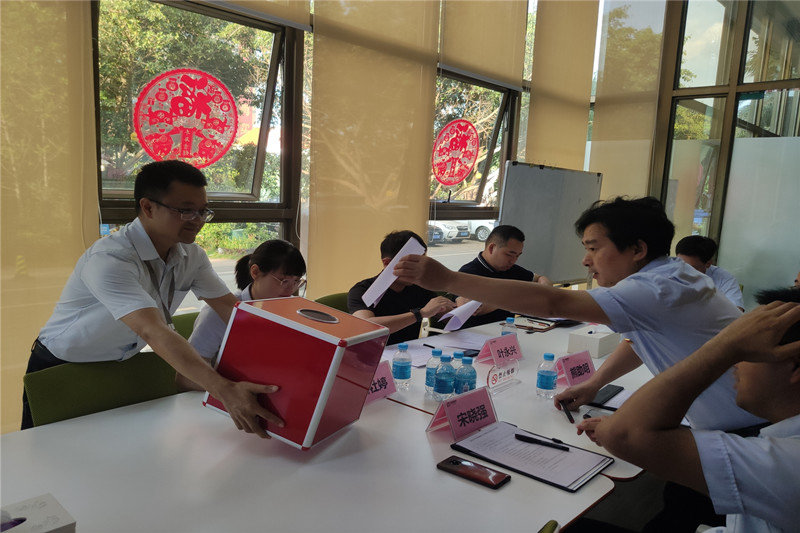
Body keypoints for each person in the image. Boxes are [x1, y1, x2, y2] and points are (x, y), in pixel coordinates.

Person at [395, 196, 763, 432]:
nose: (585, 260)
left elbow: (554, 303)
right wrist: (593, 384)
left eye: (593, 248)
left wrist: (447, 279)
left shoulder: (654, 288)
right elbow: (638, 341)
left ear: (637, 249)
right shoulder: (673, 276)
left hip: (744, 426)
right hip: (745, 415)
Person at [23, 160, 283, 437]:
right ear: (148, 207)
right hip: (61, 368)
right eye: (185, 210)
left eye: (202, 211)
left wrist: (287, 354)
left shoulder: (192, 256)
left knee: (118, 447)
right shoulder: (110, 259)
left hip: (121, 364)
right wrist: (225, 390)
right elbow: (153, 330)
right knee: (43, 453)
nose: (197, 220)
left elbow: (233, 311)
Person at [577, 288, 800, 532]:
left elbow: (623, 434)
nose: (735, 364)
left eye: (746, 351)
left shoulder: (786, 465)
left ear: (794, 367)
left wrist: (725, 347)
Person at [179, 239, 306, 390]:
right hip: (226, 395)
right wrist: (232, 388)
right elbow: (186, 379)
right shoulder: (218, 313)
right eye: (283, 281)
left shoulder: (293, 310)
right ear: (255, 272)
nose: (290, 290)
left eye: (296, 281)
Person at [348, 230, 455, 345]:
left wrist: (452, 310)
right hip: (377, 353)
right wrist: (419, 314)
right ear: (387, 263)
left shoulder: (420, 286)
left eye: (422, 263)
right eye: (413, 264)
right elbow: (367, 327)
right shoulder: (363, 290)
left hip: (411, 351)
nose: (420, 270)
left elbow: (447, 318)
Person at [454, 225, 552, 327]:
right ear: (492, 248)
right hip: (474, 332)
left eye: (517, 256)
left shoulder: (511, 269)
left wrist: (545, 287)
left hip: (506, 331)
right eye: (509, 255)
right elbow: (467, 306)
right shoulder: (468, 272)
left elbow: (539, 278)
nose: (513, 261)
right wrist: (513, 298)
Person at [675, 235, 744, 311]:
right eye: (680, 265)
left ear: (708, 263)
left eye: (690, 268)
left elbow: (737, 311)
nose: (683, 271)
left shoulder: (724, 278)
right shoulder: (669, 273)